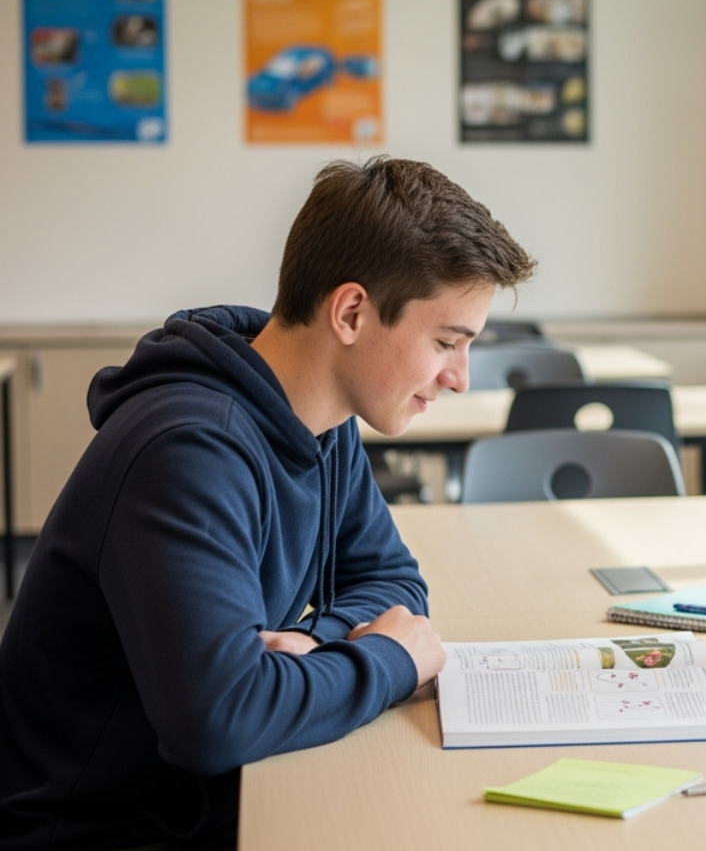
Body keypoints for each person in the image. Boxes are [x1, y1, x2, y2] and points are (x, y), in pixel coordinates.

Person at [0, 156, 536, 849]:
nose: (459, 377)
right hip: (100, 829)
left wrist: (314, 643)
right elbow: (219, 719)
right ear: (351, 312)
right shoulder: (188, 450)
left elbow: (394, 583)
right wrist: (390, 662)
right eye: (444, 342)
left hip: (204, 794)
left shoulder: (324, 422)